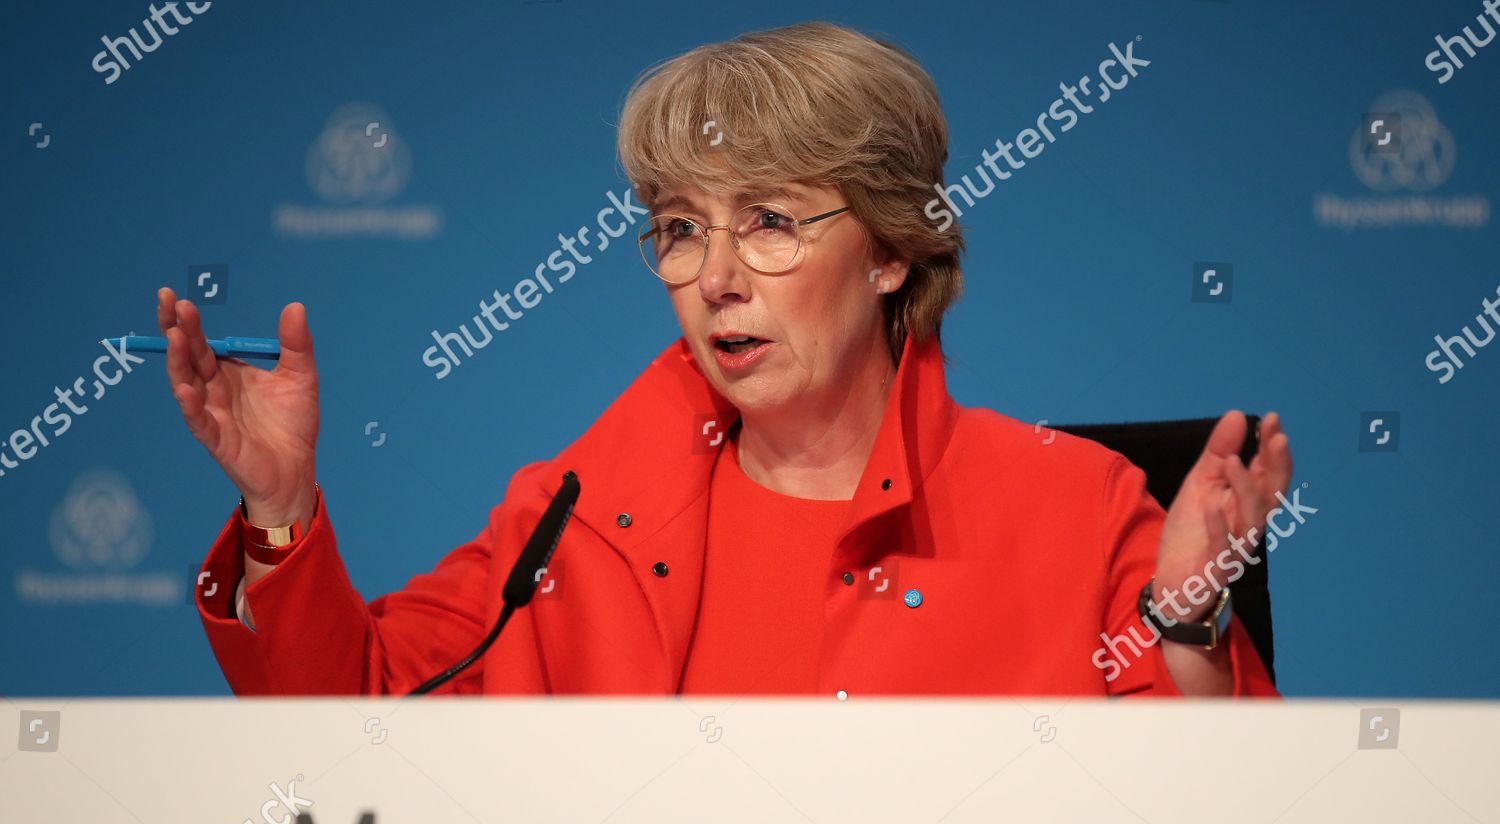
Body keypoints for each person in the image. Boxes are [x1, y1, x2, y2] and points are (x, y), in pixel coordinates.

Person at [162, 22, 1291, 697]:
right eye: (683, 227)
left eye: (770, 221)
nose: (715, 277)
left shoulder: (1076, 506)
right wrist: (280, 510)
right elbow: (360, 712)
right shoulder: (573, 521)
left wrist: (1189, 618)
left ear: (892, 248)